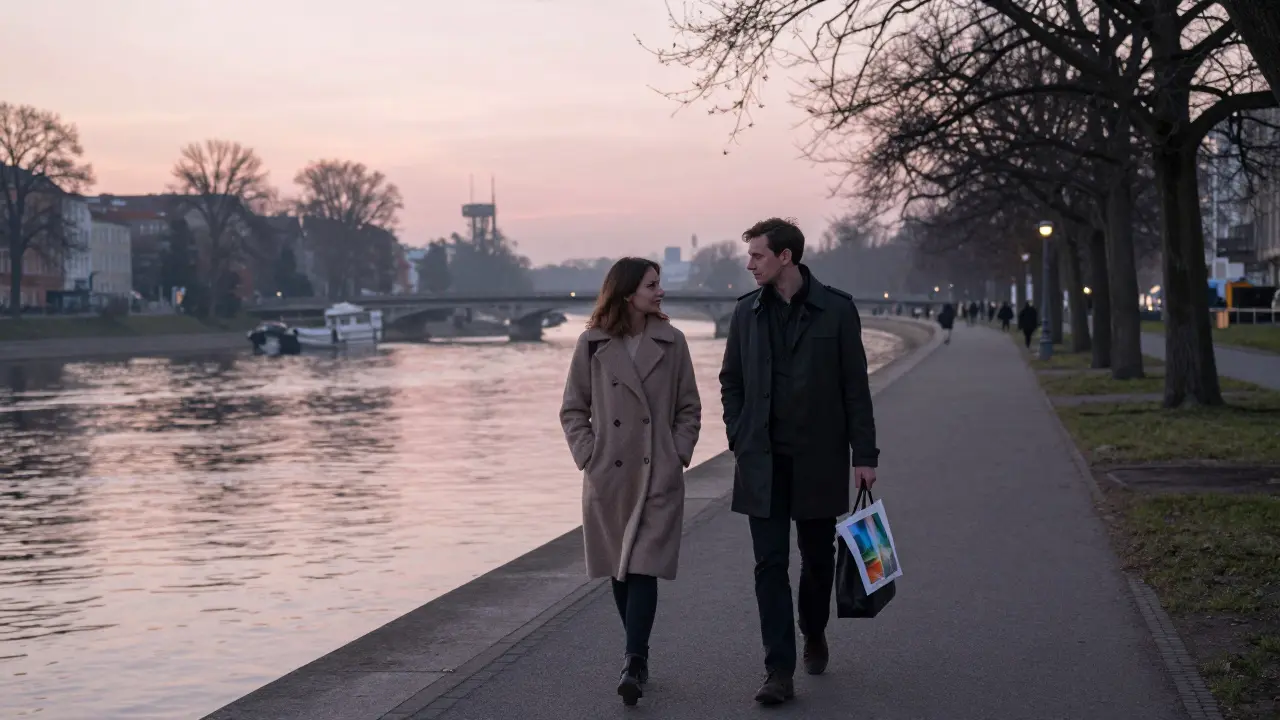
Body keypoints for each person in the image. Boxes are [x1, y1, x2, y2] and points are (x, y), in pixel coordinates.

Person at [719, 218, 879, 705]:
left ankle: (814, 627)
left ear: (785, 257)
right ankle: (778, 670)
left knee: (816, 559)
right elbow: (732, 382)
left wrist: (864, 455)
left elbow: (856, 388)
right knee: (768, 565)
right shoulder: (746, 314)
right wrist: (738, 433)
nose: (749, 265)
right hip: (761, 461)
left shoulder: (837, 310)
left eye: (758, 256)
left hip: (819, 457)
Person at [559, 257, 702, 706]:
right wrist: (589, 455)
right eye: (652, 285)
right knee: (619, 571)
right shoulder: (591, 344)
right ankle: (636, 656)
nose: (660, 291)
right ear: (627, 292)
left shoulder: (673, 342)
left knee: (642, 566)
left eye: (659, 284)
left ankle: (633, 659)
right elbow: (572, 410)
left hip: (657, 471)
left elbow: (689, 408)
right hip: (610, 476)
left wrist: (676, 452)